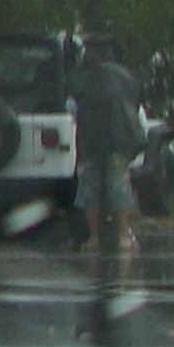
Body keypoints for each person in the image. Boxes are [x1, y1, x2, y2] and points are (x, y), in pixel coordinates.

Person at [68, 37, 144, 276]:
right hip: (119, 141)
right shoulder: (124, 78)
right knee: (118, 184)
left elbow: (71, 110)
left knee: (89, 187)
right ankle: (123, 237)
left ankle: (94, 238)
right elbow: (135, 104)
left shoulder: (80, 80)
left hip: (90, 142)